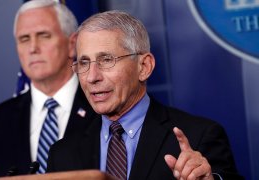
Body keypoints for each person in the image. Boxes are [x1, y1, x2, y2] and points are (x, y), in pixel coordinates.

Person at [46, 10, 243, 180]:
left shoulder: (200, 137)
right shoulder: (62, 154)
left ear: (144, 66)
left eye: (106, 60)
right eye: (84, 63)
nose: (91, 77)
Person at [0, 0, 96, 178]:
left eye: (44, 35)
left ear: (72, 44)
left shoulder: (103, 109)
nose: (33, 48)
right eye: (24, 39)